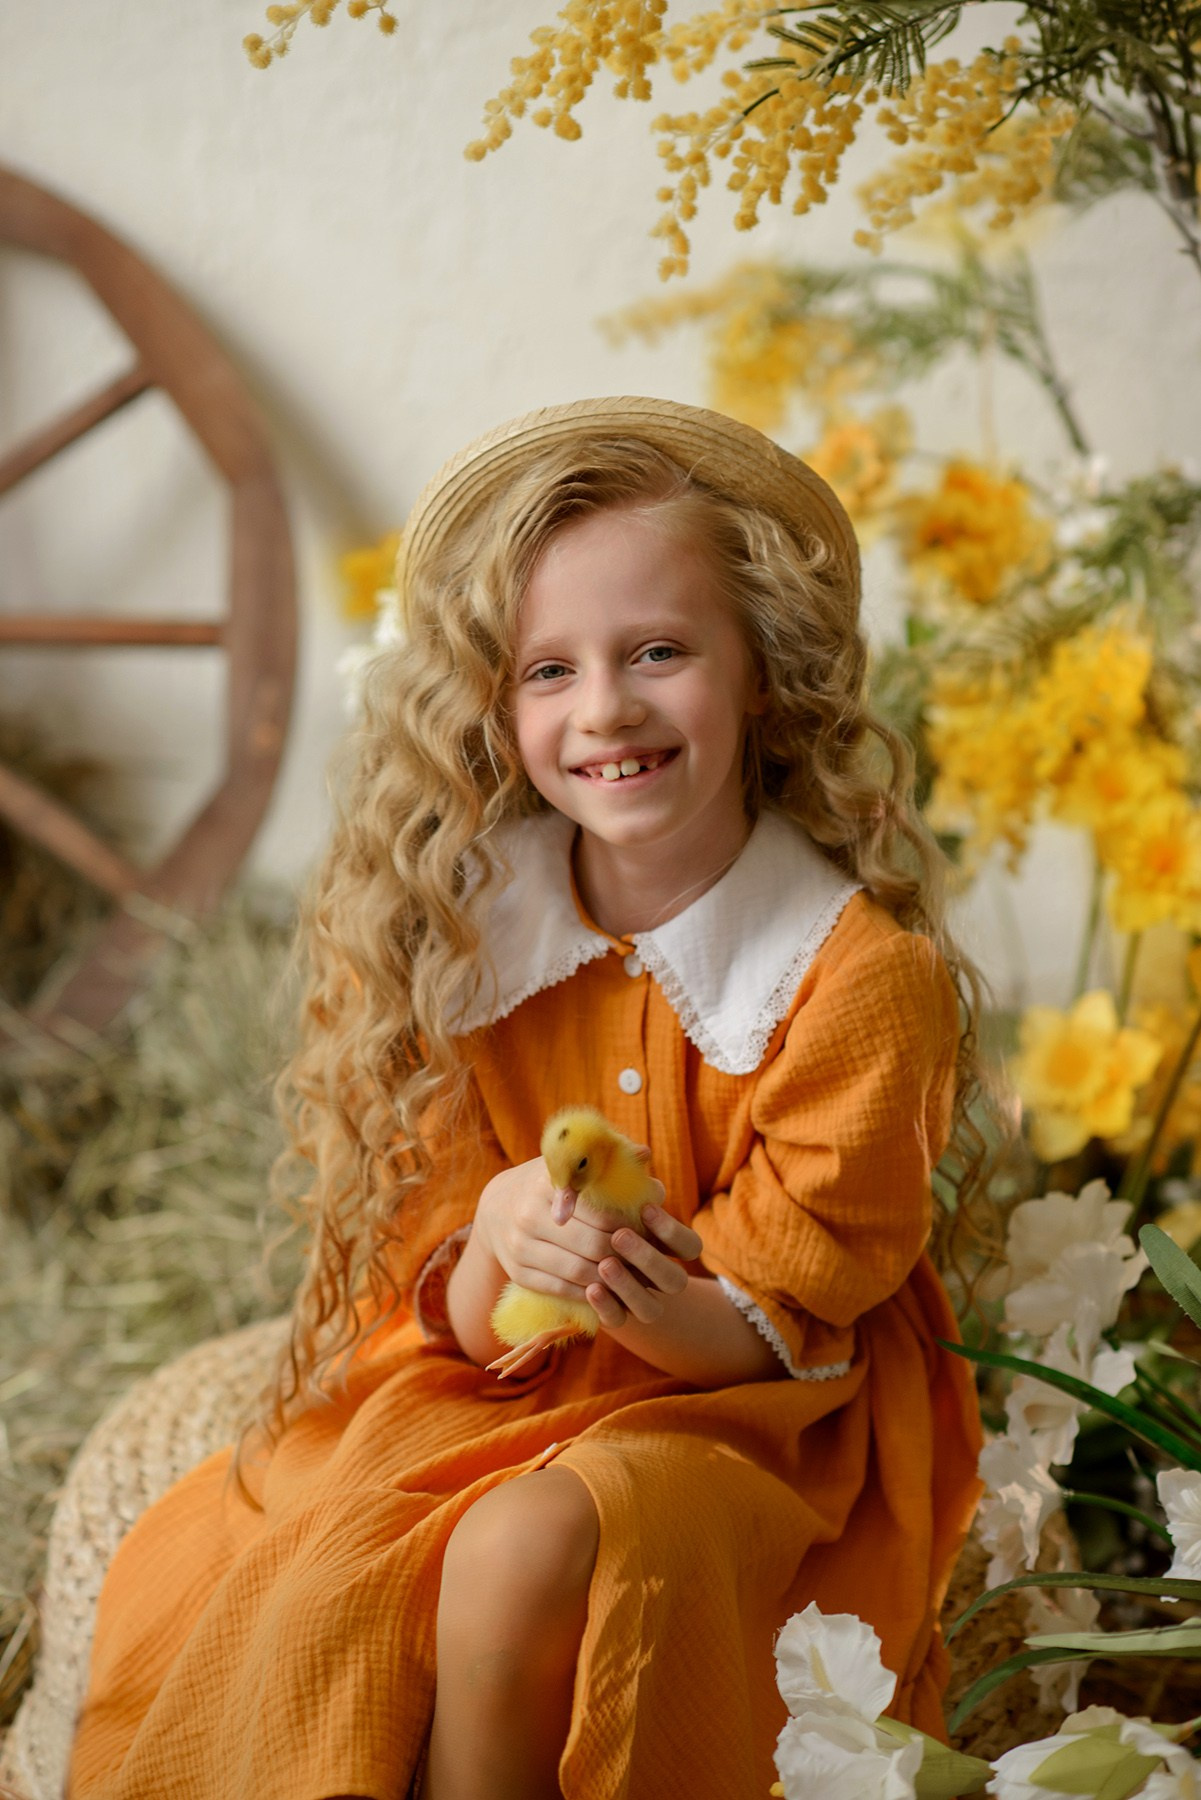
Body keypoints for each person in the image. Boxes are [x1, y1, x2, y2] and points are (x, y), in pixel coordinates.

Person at [68, 397, 993, 1800]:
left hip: (758, 1418)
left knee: (519, 1547)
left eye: (659, 652)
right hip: (496, 1380)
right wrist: (505, 1225)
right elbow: (441, 1302)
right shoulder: (467, 938)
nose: (604, 709)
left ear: (760, 671)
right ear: (494, 707)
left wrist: (631, 1289)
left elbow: (777, 1324)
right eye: (546, 670)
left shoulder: (853, 981)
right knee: (287, 1566)